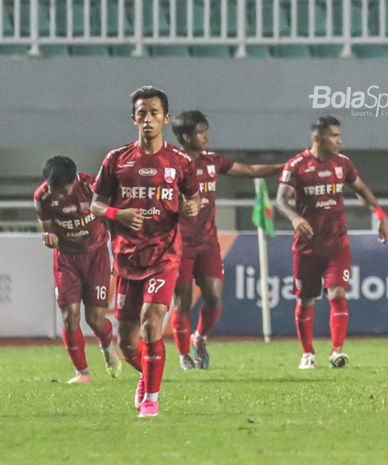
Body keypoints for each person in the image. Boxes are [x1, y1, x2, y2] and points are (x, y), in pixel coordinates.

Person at [91, 86, 201, 417]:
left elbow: (193, 198)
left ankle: (151, 398)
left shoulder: (180, 161)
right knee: (127, 343)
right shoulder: (115, 159)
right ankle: (146, 376)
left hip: (164, 255)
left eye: (155, 113)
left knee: (152, 324)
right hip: (127, 259)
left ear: (166, 118)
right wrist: (117, 214)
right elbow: (95, 203)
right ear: (134, 119)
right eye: (142, 113)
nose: (148, 119)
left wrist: (190, 208)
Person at [276, 116, 388, 369]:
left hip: (337, 245)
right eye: (334, 136)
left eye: (339, 135)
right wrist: (295, 217)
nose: (340, 140)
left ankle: (336, 351)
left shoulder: (343, 164)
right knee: (305, 300)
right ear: (317, 138)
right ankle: (308, 353)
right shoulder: (296, 164)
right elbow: (280, 199)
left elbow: (361, 189)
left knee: (338, 294)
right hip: (307, 247)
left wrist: (380, 215)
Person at [170, 110, 283, 370]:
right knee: (183, 301)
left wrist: (281, 167)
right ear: (186, 136)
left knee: (215, 296)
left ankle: (200, 337)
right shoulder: (172, 165)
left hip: (208, 242)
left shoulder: (213, 161)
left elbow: (250, 170)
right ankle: (183, 355)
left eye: (205, 130)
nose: (205, 136)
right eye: (200, 132)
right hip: (179, 244)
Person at [33, 156, 121, 384]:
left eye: (63, 191)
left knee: (95, 319)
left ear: (74, 180)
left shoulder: (92, 186)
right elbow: (47, 228)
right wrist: (49, 236)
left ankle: (107, 346)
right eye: (54, 190)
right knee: (69, 316)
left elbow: (112, 212)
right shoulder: (42, 197)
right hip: (66, 259)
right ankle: (82, 373)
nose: (57, 195)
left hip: (96, 256)